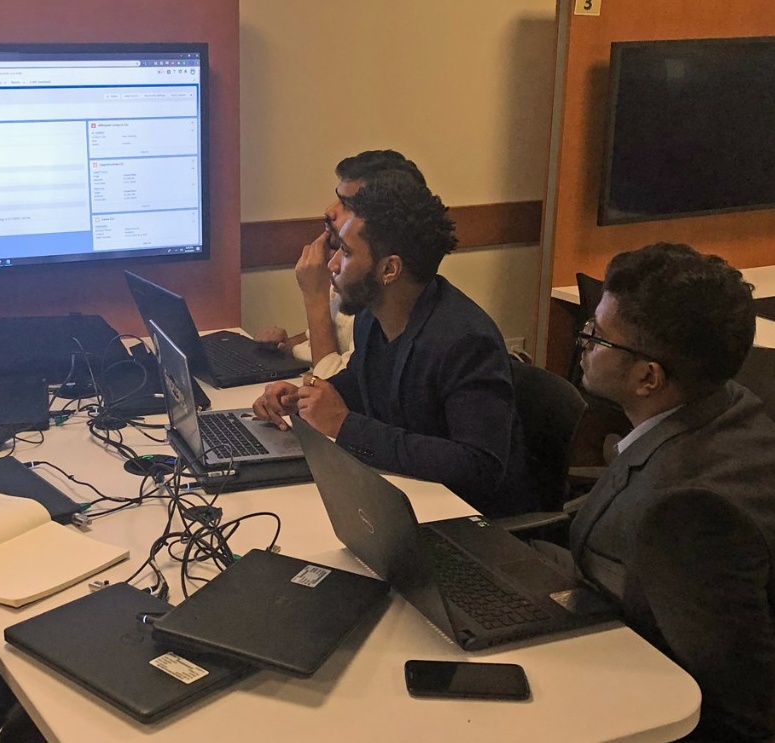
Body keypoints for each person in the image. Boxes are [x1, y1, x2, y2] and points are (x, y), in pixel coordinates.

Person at [569, 242, 775, 741]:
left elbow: (741, 710)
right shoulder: (727, 401)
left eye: (598, 336)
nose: (584, 341)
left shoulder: (688, 512)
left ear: (648, 377)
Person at [253, 170, 535, 518]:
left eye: (346, 252)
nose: (332, 264)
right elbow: (364, 382)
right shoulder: (373, 316)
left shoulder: (465, 341)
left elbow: (478, 465)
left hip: (468, 524)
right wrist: (303, 399)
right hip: (407, 501)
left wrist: (345, 426)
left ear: (389, 269)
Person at [256, 150, 426, 379]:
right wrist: (288, 346)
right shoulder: (350, 266)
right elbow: (335, 332)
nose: (330, 210)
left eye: (347, 204)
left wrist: (314, 295)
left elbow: (339, 383)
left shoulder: (377, 288)